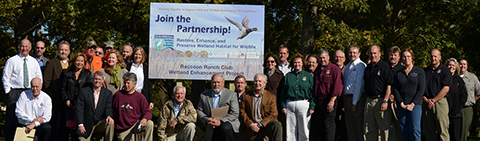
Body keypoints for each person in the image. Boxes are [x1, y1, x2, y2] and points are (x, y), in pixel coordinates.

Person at [2, 39, 43, 141]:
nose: (24, 48)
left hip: (29, 92)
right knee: (11, 120)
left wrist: (37, 91)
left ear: (30, 48)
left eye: (26, 46)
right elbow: (5, 77)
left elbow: (39, 77)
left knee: (27, 118)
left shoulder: (33, 62)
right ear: (19, 47)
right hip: (15, 92)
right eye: (22, 46)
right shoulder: (12, 60)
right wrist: (9, 92)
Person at [279, 53, 315, 141]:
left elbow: (313, 93)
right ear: (292, 64)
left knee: (304, 130)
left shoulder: (308, 76)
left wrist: (312, 106)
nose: (297, 64)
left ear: (303, 63)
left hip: (304, 104)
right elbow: (283, 93)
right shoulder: (288, 76)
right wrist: (283, 106)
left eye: (299, 62)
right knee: (290, 130)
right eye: (295, 62)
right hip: (290, 104)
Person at [392, 49, 425, 141]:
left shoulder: (419, 71)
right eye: (404, 56)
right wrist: (401, 103)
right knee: (403, 131)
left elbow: (421, 89)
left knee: (415, 130)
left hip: (415, 105)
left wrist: (413, 104)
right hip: (401, 106)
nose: (406, 58)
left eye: (408, 56)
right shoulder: (398, 73)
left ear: (412, 58)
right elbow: (395, 89)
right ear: (401, 58)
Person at [197, 74, 241, 141]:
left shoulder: (231, 95)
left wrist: (221, 121)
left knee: (225, 127)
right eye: (214, 82)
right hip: (211, 125)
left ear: (223, 83)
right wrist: (206, 119)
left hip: (227, 124)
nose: (216, 84)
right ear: (211, 83)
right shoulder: (204, 95)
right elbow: (199, 110)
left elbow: (235, 113)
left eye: (218, 82)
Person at [363, 45, 394, 141]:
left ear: (379, 54)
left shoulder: (385, 66)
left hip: (381, 100)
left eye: (375, 53)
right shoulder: (367, 68)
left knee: (384, 129)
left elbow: (389, 85)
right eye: (371, 53)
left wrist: (385, 100)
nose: (373, 55)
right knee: (368, 129)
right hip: (369, 101)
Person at [240, 73, 282, 141]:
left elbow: (274, 114)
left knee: (277, 125)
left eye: (260, 81)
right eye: (256, 81)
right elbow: (242, 112)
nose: (257, 83)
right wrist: (250, 124)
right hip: (252, 127)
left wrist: (261, 124)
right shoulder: (246, 95)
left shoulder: (271, 97)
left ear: (264, 83)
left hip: (265, 125)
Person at [42, 40, 71, 141]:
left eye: (65, 50)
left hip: (67, 101)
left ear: (69, 51)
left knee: (65, 124)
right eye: (61, 49)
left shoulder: (72, 64)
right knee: (53, 124)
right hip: (54, 99)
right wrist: (51, 97)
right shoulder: (51, 63)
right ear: (58, 50)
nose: (63, 52)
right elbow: (46, 83)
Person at [113, 72, 154, 141]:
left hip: (135, 124)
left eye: (128, 83)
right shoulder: (118, 95)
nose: (126, 85)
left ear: (134, 84)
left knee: (150, 124)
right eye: (125, 82)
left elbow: (147, 111)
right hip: (122, 128)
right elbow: (112, 109)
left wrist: (145, 119)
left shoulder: (140, 97)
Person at [62, 53, 93, 141]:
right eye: (78, 60)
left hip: (82, 105)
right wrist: (66, 100)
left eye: (81, 61)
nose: (79, 63)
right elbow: (63, 89)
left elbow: (89, 90)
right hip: (70, 105)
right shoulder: (68, 74)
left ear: (84, 62)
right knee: (69, 129)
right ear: (74, 61)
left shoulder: (87, 74)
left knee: (79, 129)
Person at [313, 49, 343, 141]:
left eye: (324, 58)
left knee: (328, 127)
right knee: (320, 128)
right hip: (319, 101)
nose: (322, 60)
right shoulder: (317, 70)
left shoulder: (334, 69)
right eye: (320, 58)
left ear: (328, 57)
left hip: (330, 101)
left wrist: (332, 101)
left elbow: (338, 86)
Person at [76, 71, 115, 141]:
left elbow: (108, 107)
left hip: (100, 122)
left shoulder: (108, 93)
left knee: (110, 123)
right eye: (96, 79)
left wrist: (109, 116)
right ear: (92, 79)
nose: (97, 81)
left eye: (99, 79)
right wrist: (80, 124)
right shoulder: (84, 91)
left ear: (103, 80)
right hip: (86, 123)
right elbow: (79, 109)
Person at [423, 48, 452, 141]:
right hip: (427, 103)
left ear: (440, 57)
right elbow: (420, 88)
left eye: (435, 56)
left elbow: (446, 88)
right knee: (429, 131)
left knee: (443, 131)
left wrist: (434, 100)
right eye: (431, 56)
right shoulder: (425, 71)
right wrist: (426, 100)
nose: (433, 58)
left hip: (440, 102)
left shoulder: (445, 70)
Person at [343, 45, 366, 141]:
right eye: (350, 52)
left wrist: (354, 103)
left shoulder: (361, 65)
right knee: (350, 127)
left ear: (359, 54)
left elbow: (359, 85)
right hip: (347, 98)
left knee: (359, 126)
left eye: (354, 52)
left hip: (357, 99)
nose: (352, 54)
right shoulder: (347, 66)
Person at [445, 58, 468, 141]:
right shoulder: (442, 79)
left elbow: (464, 95)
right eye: (449, 65)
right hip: (444, 112)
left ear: (456, 67)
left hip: (456, 114)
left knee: (455, 136)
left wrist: (458, 107)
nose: (451, 67)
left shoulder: (459, 80)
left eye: (453, 65)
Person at [458, 58, 480, 141]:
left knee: (463, 132)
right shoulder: (453, 76)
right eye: (460, 64)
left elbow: (478, 93)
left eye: (464, 64)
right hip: (454, 108)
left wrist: (471, 100)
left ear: (467, 66)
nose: (462, 66)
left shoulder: (473, 77)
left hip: (467, 108)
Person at [388, 46, 404, 141]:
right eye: (391, 55)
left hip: (398, 102)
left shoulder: (402, 69)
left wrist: (395, 95)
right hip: (385, 101)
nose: (393, 57)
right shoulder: (385, 67)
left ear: (399, 57)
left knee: (398, 126)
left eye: (395, 55)